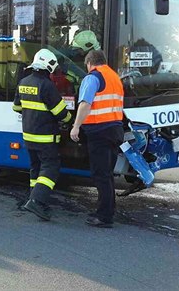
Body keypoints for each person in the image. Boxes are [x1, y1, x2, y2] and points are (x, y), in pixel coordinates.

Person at [13, 49, 72, 221]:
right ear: (48, 66)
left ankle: (35, 199)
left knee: (36, 168)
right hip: (45, 137)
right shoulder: (47, 86)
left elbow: (16, 107)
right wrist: (70, 120)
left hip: (28, 136)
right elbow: (61, 113)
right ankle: (36, 201)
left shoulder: (23, 82)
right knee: (51, 167)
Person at [69, 50, 124, 228]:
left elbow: (85, 103)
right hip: (115, 130)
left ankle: (104, 216)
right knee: (107, 175)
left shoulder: (93, 78)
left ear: (89, 63)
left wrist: (76, 126)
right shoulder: (114, 77)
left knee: (101, 175)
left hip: (100, 132)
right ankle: (106, 211)